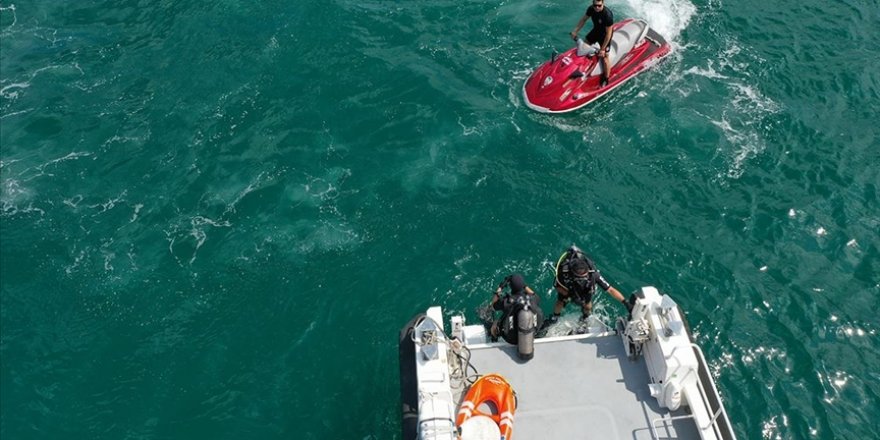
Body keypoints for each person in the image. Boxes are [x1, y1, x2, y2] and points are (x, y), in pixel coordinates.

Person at [544, 245, 631, 330]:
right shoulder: (564, 273)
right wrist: (570, 294)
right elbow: (557, 286)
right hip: (569, 288)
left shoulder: (594, 275)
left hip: (586, 288)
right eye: (579, 277)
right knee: (560, 301)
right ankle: (554, 317)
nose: (581, 279)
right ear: (573, 274)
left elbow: (610, 289)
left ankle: (585, 318)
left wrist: (625, 302)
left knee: (587, 305)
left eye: (584, 277)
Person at [487, 274, 544, 344]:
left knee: (495, 322)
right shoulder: (533, 298)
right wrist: (523, 285)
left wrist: (500, 288)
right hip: (531, 334)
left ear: (511, 287)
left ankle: (494, 338)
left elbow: (493, 306)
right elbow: (533, 293)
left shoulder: (507, 301)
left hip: (512, 339)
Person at [570, 0, 614, 87]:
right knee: (584, 46)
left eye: (599, 5)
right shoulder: (591, 9)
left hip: (605, 36)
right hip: (596, 31)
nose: (597, 7)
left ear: (603, 4)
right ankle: (582, 67)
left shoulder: (607, 15)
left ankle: (606, 78)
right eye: (595, 5)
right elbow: (583, 20)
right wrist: (575, 31)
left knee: (605, 58)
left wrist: (602, 49)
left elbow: (609, 34)